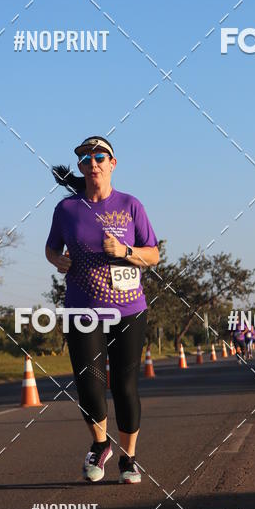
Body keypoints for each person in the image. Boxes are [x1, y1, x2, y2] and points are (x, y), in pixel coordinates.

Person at [45, 136, 159, 484]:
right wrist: (58, 260)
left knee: (125, 386)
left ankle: (129, 458)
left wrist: (125, 251)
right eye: (85, 158)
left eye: (99, 157)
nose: (92, 163)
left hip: (128, 309)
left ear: (112, 163)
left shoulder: (130, 205)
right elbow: (51, 249)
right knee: (89, 385)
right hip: (83, 309)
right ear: (80, 167)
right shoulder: (66, 210)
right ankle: (99, 445)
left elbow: (152, 255)